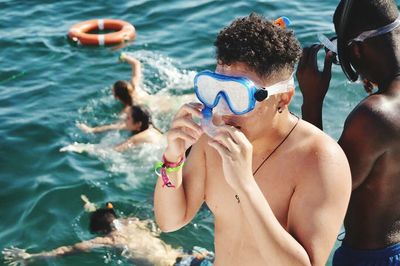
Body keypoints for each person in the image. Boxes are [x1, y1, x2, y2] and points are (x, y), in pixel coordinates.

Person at [153, 13, 351, 266]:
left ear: (283, 98)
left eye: (237, 95)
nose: (222, 109)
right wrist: (172, 159)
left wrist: (245, 184)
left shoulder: (321, 161)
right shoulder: (212, 141)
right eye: (215, 89)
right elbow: (170, 221)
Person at [296, 0, 400, 265]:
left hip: (370, 258)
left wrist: (312, 102)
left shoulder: (374, 116)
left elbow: (321, 190)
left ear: (356, 49)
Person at [2, 196, 214, 266]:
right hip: (187, 256)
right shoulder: (133, 222)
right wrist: (95, 209)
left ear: (102, 231)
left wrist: (32, 256)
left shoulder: (110, 241)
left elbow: (67, 249)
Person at [77, 53, 149, 134]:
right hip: (161, 101)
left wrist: (91, 130)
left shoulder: (127, 110)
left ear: (117, 97)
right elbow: (136, 63)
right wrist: (124, 57)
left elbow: (116, 126)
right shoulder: (135, 86)